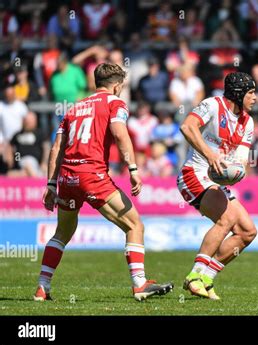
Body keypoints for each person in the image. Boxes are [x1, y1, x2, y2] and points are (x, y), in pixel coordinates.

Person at [35, 63, 173, 302]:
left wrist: (50, 184)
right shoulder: (115, 103)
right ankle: (139, 284)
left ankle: (42, 286)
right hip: (93, 175)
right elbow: (120, 134)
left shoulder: (74, 108)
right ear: (117, 86)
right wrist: (132, 168)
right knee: (134, 225)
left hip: (68, 177)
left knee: (62, 232)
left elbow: (57, 147)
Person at [177, 72, 258, 300]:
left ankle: (207, 278)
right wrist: (210, 155)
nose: (255, 98)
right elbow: (187, 127)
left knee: (247, 232)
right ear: (238, 93)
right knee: (227, 219)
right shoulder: (212, 105)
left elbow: (241, 159)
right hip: (193, 173)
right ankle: (194, 275)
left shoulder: (248, 122)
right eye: (251, 93)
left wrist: (237, 171)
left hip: (214, 179)